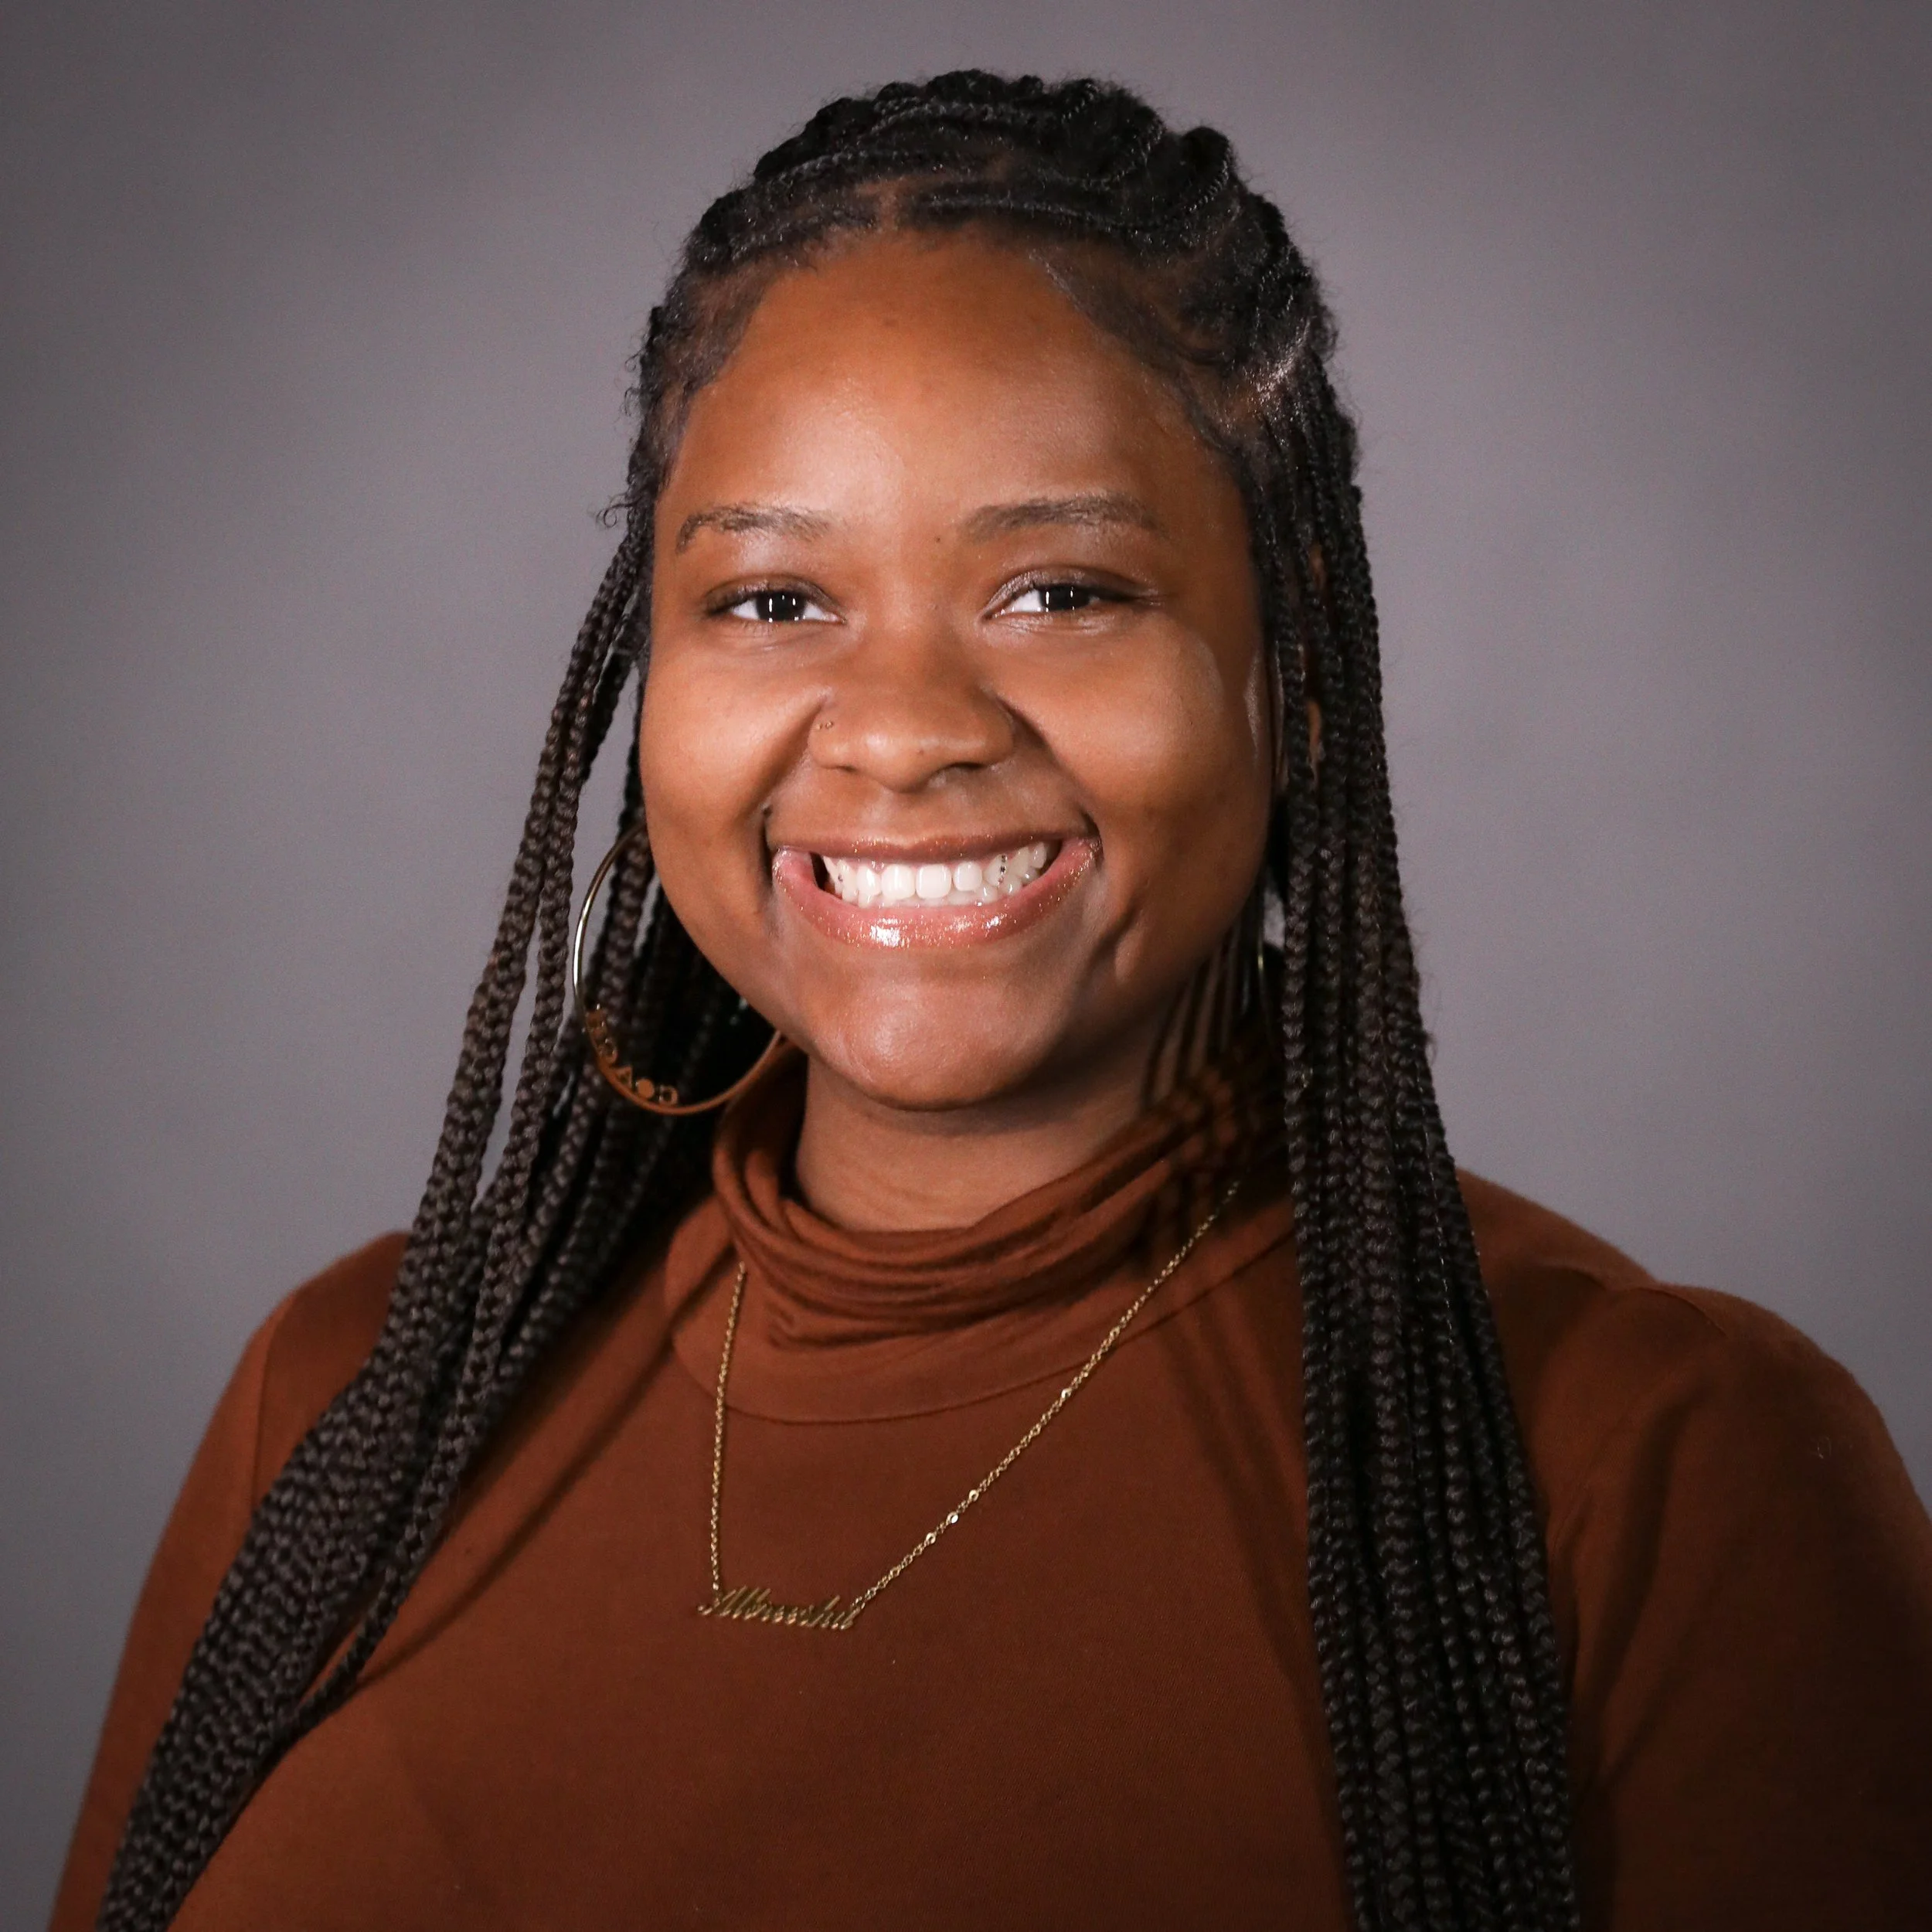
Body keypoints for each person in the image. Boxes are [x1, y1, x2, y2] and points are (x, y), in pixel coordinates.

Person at [53, 72, 1932, 1932]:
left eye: (1056, 588)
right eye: (773, 601)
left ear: (1286, 656)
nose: (904, 730)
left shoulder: (1651, 1473)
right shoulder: (355, 1401)